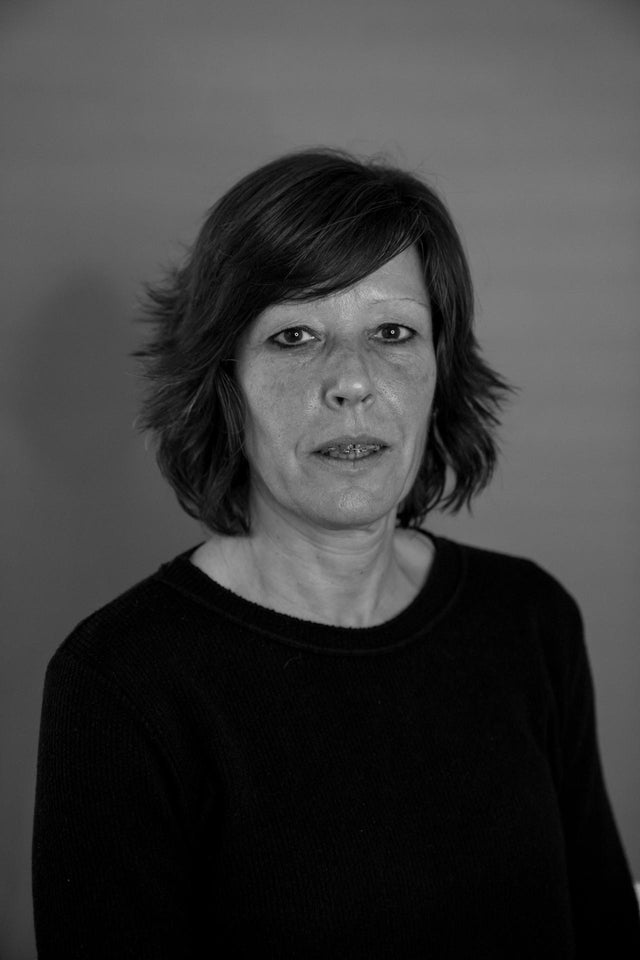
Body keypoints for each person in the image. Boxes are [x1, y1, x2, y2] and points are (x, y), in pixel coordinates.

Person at [32, 148, 640, 958]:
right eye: (294, 336)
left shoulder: (530, 620)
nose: (352, 381)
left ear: (438, 369)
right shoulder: (121, 684)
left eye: (392, 332)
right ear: (225, 381)